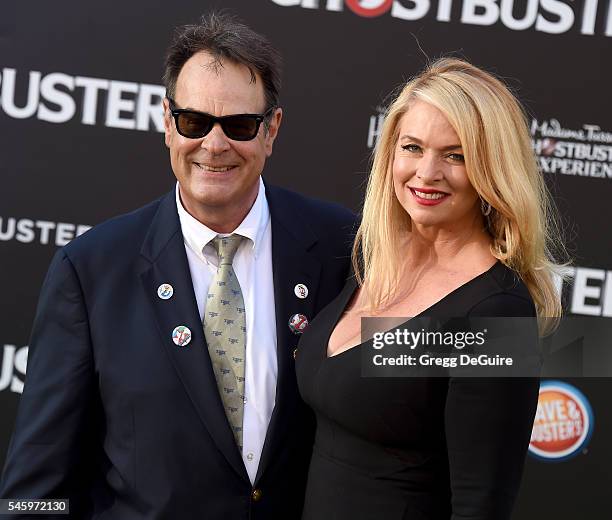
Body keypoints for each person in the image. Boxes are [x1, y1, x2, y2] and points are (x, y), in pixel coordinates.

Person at [0, 12, 355, 520]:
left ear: (271, 129)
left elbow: (411, 373)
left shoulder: (341, 247)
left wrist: (506, 344)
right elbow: (34, 493)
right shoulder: (92, 270)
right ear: (168, 124)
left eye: (239, 125)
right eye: (194, 122)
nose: (214, 145)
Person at [296, 58, 563, 520]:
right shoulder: (371, 260)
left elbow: (481, 506)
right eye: (413, 147)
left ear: (491, 169)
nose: (427, 172)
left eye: (455, 155)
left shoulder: (497, 313)